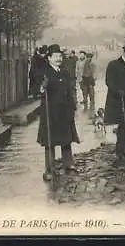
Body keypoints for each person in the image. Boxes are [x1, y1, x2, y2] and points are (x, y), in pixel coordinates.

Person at [37, 44, 80, 181]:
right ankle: (50, 168)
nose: (58, 59)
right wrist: (42, 88)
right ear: (49, 58)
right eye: (55, 56)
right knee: (50, 140)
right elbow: (36, 89)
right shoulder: (44, 72)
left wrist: (73, 106)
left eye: (60, 56)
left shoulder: (65, 72)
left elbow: (70, 90)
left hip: (64, 110)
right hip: (51, 110)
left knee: (66, 137)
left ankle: (68, 163)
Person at [104, 41, 125, 167]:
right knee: (121, 127)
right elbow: (109, 81)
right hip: (117, 101)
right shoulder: (113, 65)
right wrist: (118, 91)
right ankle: (120, 153)